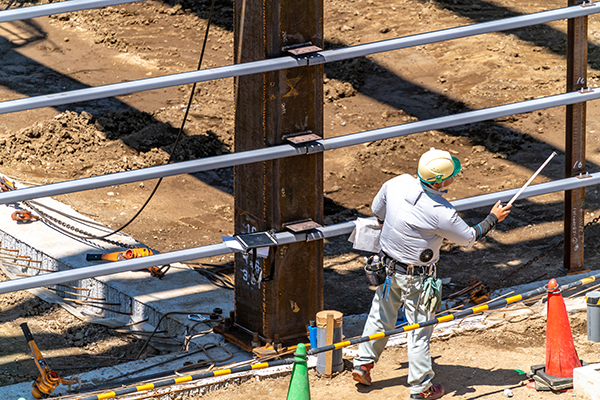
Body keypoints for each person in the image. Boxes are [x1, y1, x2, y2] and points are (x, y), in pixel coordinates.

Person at [352, 147, 511, 399]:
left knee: (381, 314)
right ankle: (421, 387)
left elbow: (377, 209)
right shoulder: (440, 211)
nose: (453, 178)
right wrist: (492, 218)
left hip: (388, 266)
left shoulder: (397, 182)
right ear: (439, 181)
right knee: (419, 330)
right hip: (419, 278)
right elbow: (468, 238)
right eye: (450, 175)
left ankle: (363, 363)